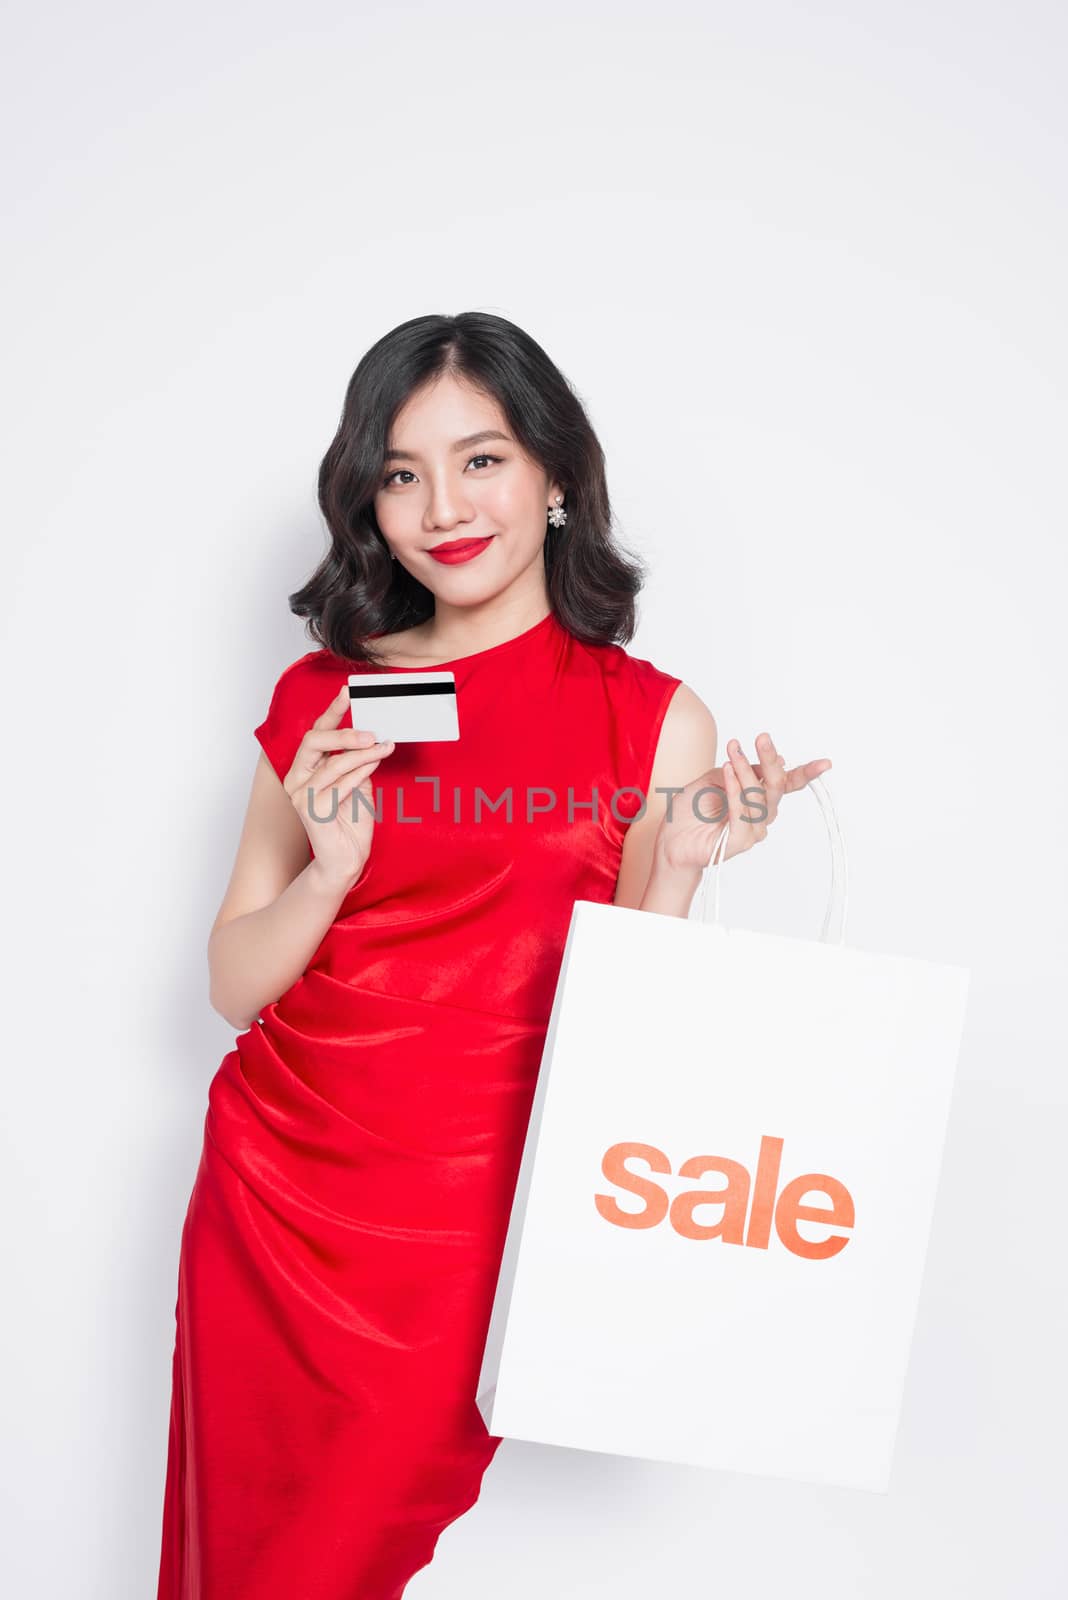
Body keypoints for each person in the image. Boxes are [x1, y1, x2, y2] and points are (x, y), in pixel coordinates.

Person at [156, 311, 831, 1599]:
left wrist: (681, 857)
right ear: (369, 502)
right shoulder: (325, 699)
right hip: (273, 1192)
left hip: (477, 1212)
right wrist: (335, 870)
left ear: (557, 476)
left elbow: (622, 1017)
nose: (441, 506)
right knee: (238, 1561)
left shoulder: (651, 716)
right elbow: (231, 979)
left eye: (483, 460)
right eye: (401, 474)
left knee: (337, 1558)